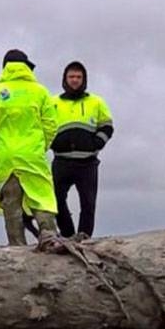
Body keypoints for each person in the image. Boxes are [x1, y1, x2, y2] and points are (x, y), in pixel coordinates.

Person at [0, 49, 59, 246]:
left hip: (5, 157)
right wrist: (40, 145)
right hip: (32, 154)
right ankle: (49, 236)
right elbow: (51, 125)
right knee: (41, 196)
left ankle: (17, 246)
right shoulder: (40, 92)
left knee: (11, 203)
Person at [50, 61, 114, 239]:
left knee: (88, 204)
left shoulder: (96, 101)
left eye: (78, 77)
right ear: (65, 79)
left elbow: (107, 126)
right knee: (55, 201)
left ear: (84, 79)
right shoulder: (52, 102)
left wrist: (97, 143)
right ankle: (69, 235)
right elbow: (42, 127)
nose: (75, 80)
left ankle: (84, 238)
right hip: (61, 160)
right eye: (71, 76)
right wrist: (52, 142)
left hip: (87, 163)